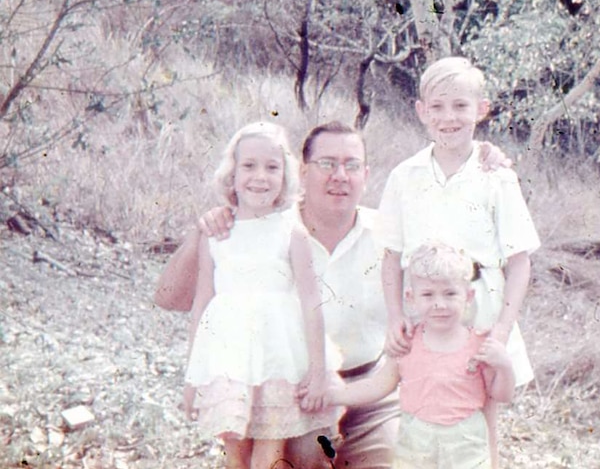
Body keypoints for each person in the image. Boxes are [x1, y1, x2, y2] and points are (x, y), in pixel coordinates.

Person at [155, 120, 511, 468]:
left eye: (351, 165)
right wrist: (202, 231)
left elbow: (462, 267)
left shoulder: (391, 234)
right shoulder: (260, 226)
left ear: (366, 176)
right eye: (327, 164)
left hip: (375, 392)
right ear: (303, 172)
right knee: (292, 458)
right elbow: (169, 297)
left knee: (394, 459)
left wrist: (480, 161)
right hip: (300, 391)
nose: (339, 175)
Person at [377, 57, 541, 469]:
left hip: (479, 305)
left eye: (460, 106)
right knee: (427, 407)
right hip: (425, 307)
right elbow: (391, 256)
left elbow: (519, 262)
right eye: (437, 107)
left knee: (480, 418)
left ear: (481, 109)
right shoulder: (404, 176)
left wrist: (500, 330)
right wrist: (396, 314)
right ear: (420, 111)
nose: (448, 118)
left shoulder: (497, 177)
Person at [182, 121, 342, 469]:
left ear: (285, 176)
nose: (260, 177)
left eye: (272, 167)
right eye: (249, 166)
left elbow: (312, 305)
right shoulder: (217, 233)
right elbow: (202, 304)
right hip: (229, 357)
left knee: (270, 449)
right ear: (232, 173)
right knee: (233, 448)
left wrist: (317, 372)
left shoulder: (290, 232)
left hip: (278, 358)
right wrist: (193, 377)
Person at [315, 241, 515, 469]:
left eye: (450, 294)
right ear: (411, 297)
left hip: (465, 444)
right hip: (416, 444)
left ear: (468, 296)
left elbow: (501, 395)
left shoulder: (480, 345)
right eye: (428, 295)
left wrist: (504, 366)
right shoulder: (407, 342)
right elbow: (379, 385)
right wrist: (331, 396)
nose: (440, 304)